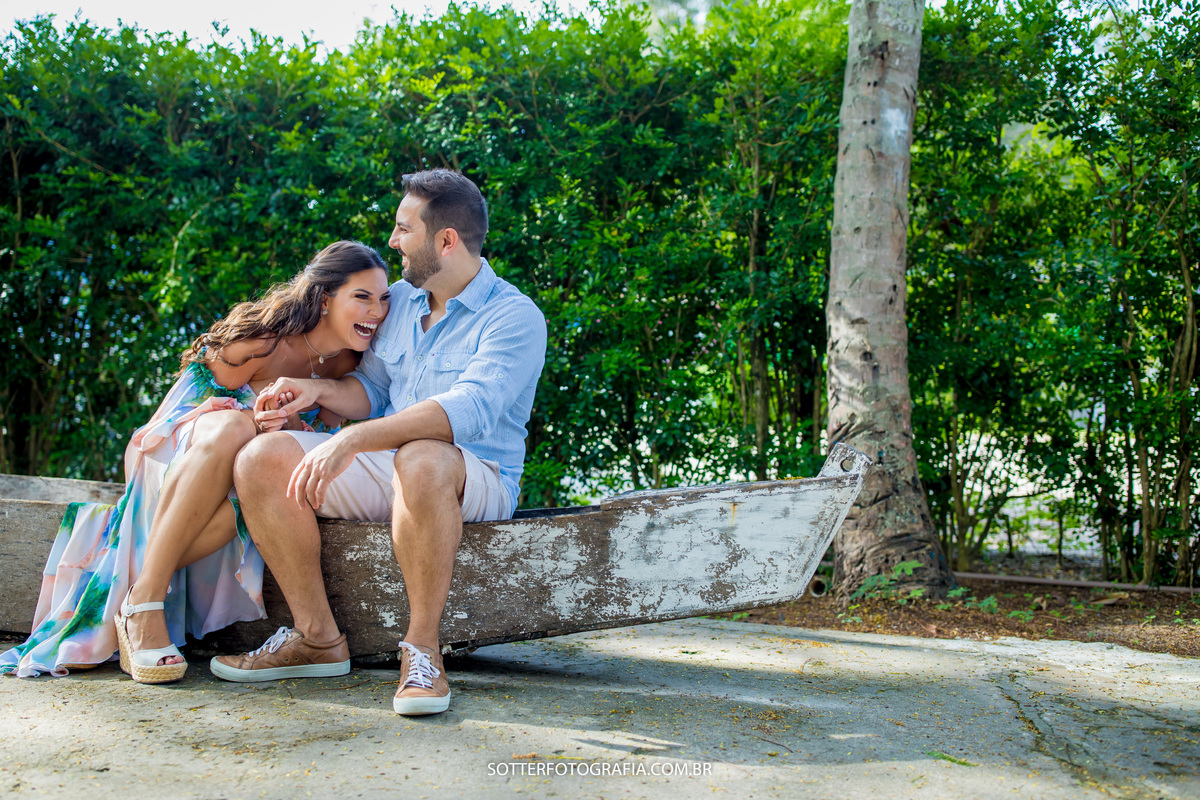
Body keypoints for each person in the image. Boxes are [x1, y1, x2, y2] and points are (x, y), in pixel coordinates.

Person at [209, 169, 547, 716]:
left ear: (445, 240)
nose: (392, 241)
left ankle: (422, 653)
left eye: (403, 228)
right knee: (261, 458)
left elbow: (467, 411)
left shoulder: (514, 317)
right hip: (390, 468)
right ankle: (316, 637)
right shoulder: (405, 305)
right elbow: (371, 390)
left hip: (473, 477)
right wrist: (308, 390)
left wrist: (353, 441)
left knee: (422, 456)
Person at [0, 241, 391, 683]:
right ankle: (145, 602)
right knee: (235, 429)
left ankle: (129, 590)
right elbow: (167, 423)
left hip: (249, 481)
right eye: (362, 296)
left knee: (256, 485)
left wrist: (282, 426)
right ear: (325, 298)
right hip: (181, 458)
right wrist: (250, 419)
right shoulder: (261, 340)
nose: (376, 311)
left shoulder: (353, 364)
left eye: (383, 299)